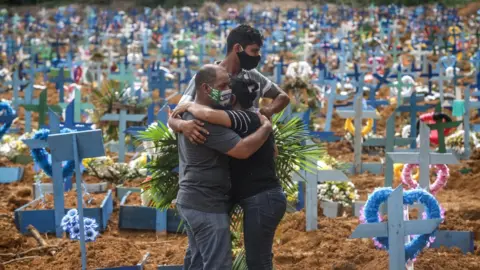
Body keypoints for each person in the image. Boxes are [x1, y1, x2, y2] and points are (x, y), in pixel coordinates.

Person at [172, 76, 287, 270]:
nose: (220, 92)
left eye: (225, 88)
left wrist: (189, 105)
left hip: (261, 198)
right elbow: (274, 152)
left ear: (232, 99)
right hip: (255, 197)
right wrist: (180, 123)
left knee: (258, 262)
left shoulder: (243, 118)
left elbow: (210, 118)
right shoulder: (253, 119)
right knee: (202, 255)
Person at [169, 24, 290, 144]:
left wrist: (269, 110)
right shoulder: (206, 77)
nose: (257, 56)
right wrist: (183, 125)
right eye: (254, 51)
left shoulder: (253, 76)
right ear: (237, 48)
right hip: (219, 149)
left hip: (251, 148)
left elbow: (282, 97)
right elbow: (175, 116)